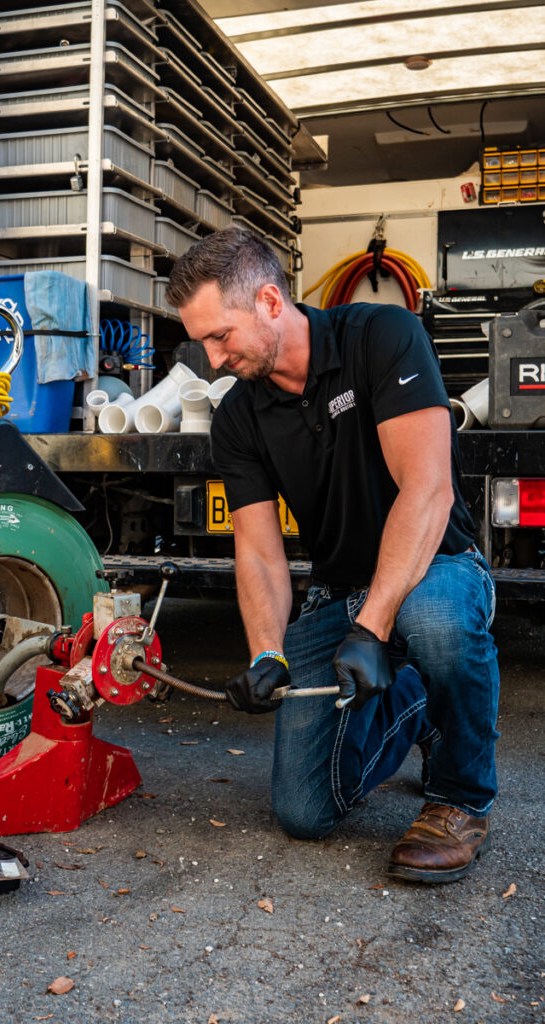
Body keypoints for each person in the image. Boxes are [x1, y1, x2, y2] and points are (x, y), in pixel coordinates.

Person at [165, 227, 499, 884]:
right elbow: (258, 552)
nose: (210, 361)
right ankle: (415, 705)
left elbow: (426, 490)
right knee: (303, 810)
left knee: (432, 623)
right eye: (200, 341)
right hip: (337, 588)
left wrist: (372, 627)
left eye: (220, 337)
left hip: (437, 564)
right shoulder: (237, 418)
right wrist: (266, 653)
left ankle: (459, 799)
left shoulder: (381, 337)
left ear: (267, 301)